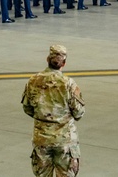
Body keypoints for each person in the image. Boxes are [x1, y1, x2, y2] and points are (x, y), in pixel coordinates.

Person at [21, 45, 85, 177]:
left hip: (42, 139)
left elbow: (27, 108)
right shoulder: (68, 83)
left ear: (47, 59)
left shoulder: (33, 80)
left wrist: (43, 117)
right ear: (64, 63)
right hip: (64, 140)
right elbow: (79, 113)